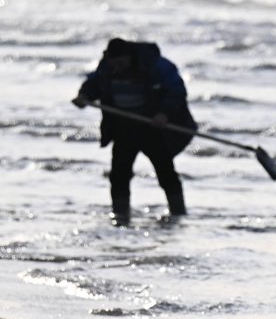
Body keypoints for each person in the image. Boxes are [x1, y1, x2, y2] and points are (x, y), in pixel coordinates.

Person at [72, 38, 196, 223]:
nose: (118, 68)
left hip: (152, 128)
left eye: (121, 63)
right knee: (119, 175)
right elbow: (94, 84)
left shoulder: (156, 66)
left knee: (166, 172)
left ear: (130, 57)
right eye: (115, 64)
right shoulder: (107, 67)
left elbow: (177, 91)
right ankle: (120, 215)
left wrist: (164, 113)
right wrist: (84, 96)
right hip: (123, 128)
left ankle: (178, 213)